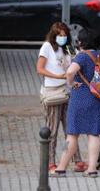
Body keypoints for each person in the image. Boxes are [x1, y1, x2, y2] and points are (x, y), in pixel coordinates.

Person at [51, 29, 100, 178]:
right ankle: (92, 169)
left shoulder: (81, 57)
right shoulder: (98, 55)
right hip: (97, 98)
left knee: (72, 135)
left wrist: (71, 83)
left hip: (80, 98)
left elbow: (70, 72)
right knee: (94, 134)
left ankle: (61, 168)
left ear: (80, 42)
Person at [36, 22, 87, 173]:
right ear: (54, 35)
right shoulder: (47, 47)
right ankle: (50, 161)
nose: (62, 38)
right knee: (52, 129)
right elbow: (40, 68)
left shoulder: (68, 48)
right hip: (53, 91)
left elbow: (77, 63)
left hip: (68, 92)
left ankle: (76, 159)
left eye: (65, 35)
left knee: (71, 129)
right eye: (60, 35)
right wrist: (57, 76)